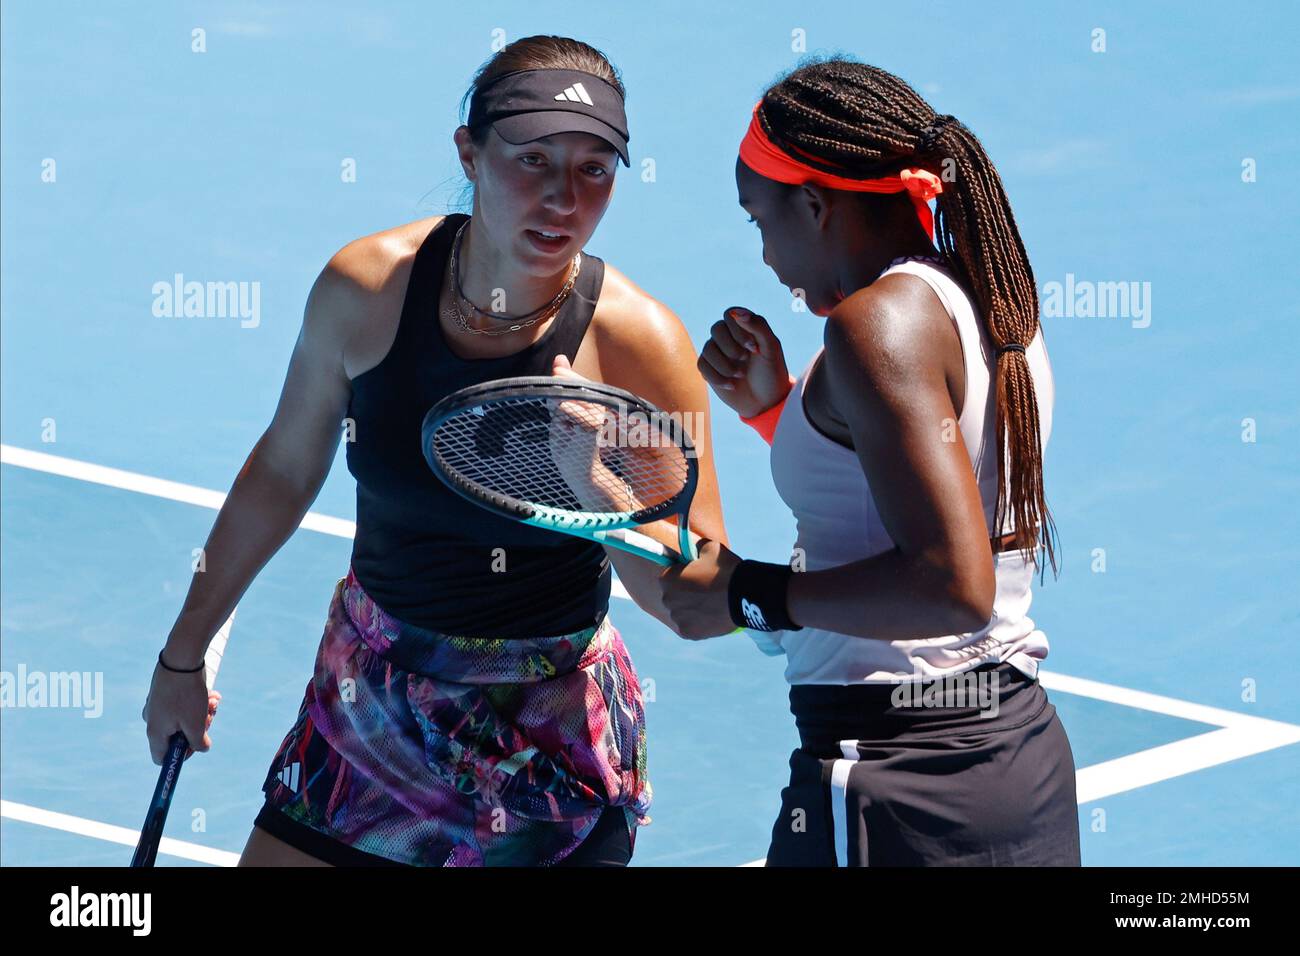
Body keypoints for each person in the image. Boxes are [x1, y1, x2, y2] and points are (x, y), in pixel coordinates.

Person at [141, 35, 728, 867]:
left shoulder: (639, 344)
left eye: (594, 169)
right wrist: (181, 655)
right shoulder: (366, 290)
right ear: (468, 150)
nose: (564, 198)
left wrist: (592, 487)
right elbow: (281, 470)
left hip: (545, 741)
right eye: (533, 160)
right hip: (368, 707)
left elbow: (687, 597)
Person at [655, 58, 1081, 866]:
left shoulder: (872, 327)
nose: (767, 257)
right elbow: (922, 475)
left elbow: (952, 586)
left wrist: (750, 597)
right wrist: (778, 410)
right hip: (1010, 758)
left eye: (759, 221)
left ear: (814, 206)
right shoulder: (977, 295)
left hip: (897, 783)